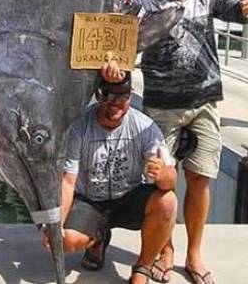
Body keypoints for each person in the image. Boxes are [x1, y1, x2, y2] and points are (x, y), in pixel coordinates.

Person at [108, 0, 248, 284]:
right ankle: (166, 249)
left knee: (201, 179)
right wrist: (113, 66)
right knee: (163, 182)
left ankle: (194, 254)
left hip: (204, 102)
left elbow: (235, 11)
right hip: (162, 106)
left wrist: (247, 9)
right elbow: (122, 39)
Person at [46, 72, 177, 284]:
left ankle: (142, 268)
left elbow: (171, 179)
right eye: (106, 95)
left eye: (122, 96)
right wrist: (56, 224)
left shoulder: (145, 127)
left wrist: (162, 174)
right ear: (97, 95)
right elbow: (67, 182)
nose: (114, 103)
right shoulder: (79, 127)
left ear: (130, 97)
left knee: (168, 201)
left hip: (128, 198)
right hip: (91, 202)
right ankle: (98, 237)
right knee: (66, 241)